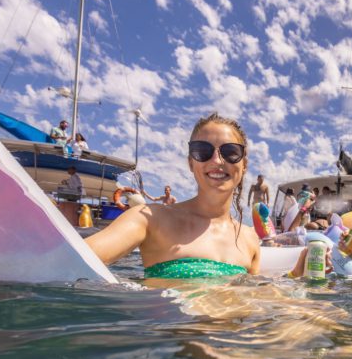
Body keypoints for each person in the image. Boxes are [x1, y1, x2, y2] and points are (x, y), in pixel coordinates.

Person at [86, 112, 260, 279]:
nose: (216, 160)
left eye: (230, 152)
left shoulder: (250, 239)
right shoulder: (150, 220)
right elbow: (74, 257)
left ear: (244, 164)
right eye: (202, 151)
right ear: (191, 163)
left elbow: (253, 300)